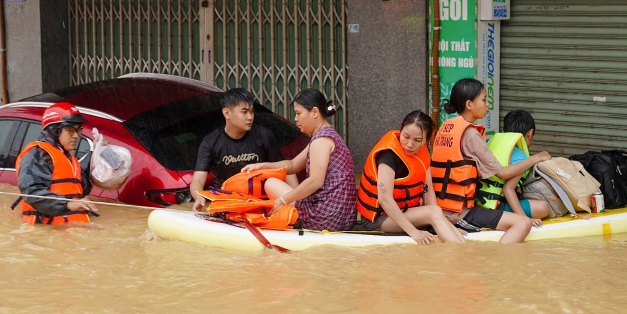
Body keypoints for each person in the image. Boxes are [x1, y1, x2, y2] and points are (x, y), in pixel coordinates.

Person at [431, 78, 551, 243]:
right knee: (522, 223)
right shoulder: (470, 134)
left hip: (441, 209)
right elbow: (502, 174)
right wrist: (536, 158)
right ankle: (498, 264)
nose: (488, 104)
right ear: (469, 104)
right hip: (460, 213)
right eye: (484, 99)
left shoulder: (446, 127)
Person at [241, 88, 357, 231]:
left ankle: (289, 218)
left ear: (315, 112)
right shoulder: (326, 135)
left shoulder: (321, 140)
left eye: (298, 113)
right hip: (345, 218)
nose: (295, 119)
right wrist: (263, 165)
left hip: (326, 217)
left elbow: (315, 181)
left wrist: (283, 200)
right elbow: (293, 165)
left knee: (270, 184)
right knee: (282, 184)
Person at [354, 111, 466, 244]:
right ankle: (458, 256)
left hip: (404, 212)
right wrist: (414, 232)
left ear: (426, 140)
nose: (409, 144)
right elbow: (385, 199)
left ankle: (460, 251)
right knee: (433, 213)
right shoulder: (388, 156)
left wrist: (448, 226)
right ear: (400, 130)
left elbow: (428, 190)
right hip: (379, 219)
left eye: (417, 140)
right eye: (406, 136)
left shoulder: (423, 152)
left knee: (436, 212)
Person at [190, 88, 285, 212]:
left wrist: (296, 198)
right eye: (244, 112)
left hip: (260, 205)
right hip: (226, 205)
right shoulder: (210, 142)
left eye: (252, 112)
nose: (250, 117)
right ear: (227, 113)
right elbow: (197, 180)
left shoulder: (264, 136)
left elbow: (285, 168)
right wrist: (198, 197)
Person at [15, 102, 98, 225]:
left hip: (71, 229)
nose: (76, 136)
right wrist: (68, 204)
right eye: (70, 130)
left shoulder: (69, 157)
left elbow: (80, 187)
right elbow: (32, 192)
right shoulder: (38, 155)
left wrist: (96, 153)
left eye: (78, 130)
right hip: (46, 233)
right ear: (54, 130)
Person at [476, 110, 550, 227]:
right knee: (544, 207)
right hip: (496, 208)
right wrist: (525, 219)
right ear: (530, 134)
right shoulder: (521, 157)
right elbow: (508, 189)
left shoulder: (490, 142)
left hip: (478, 203)